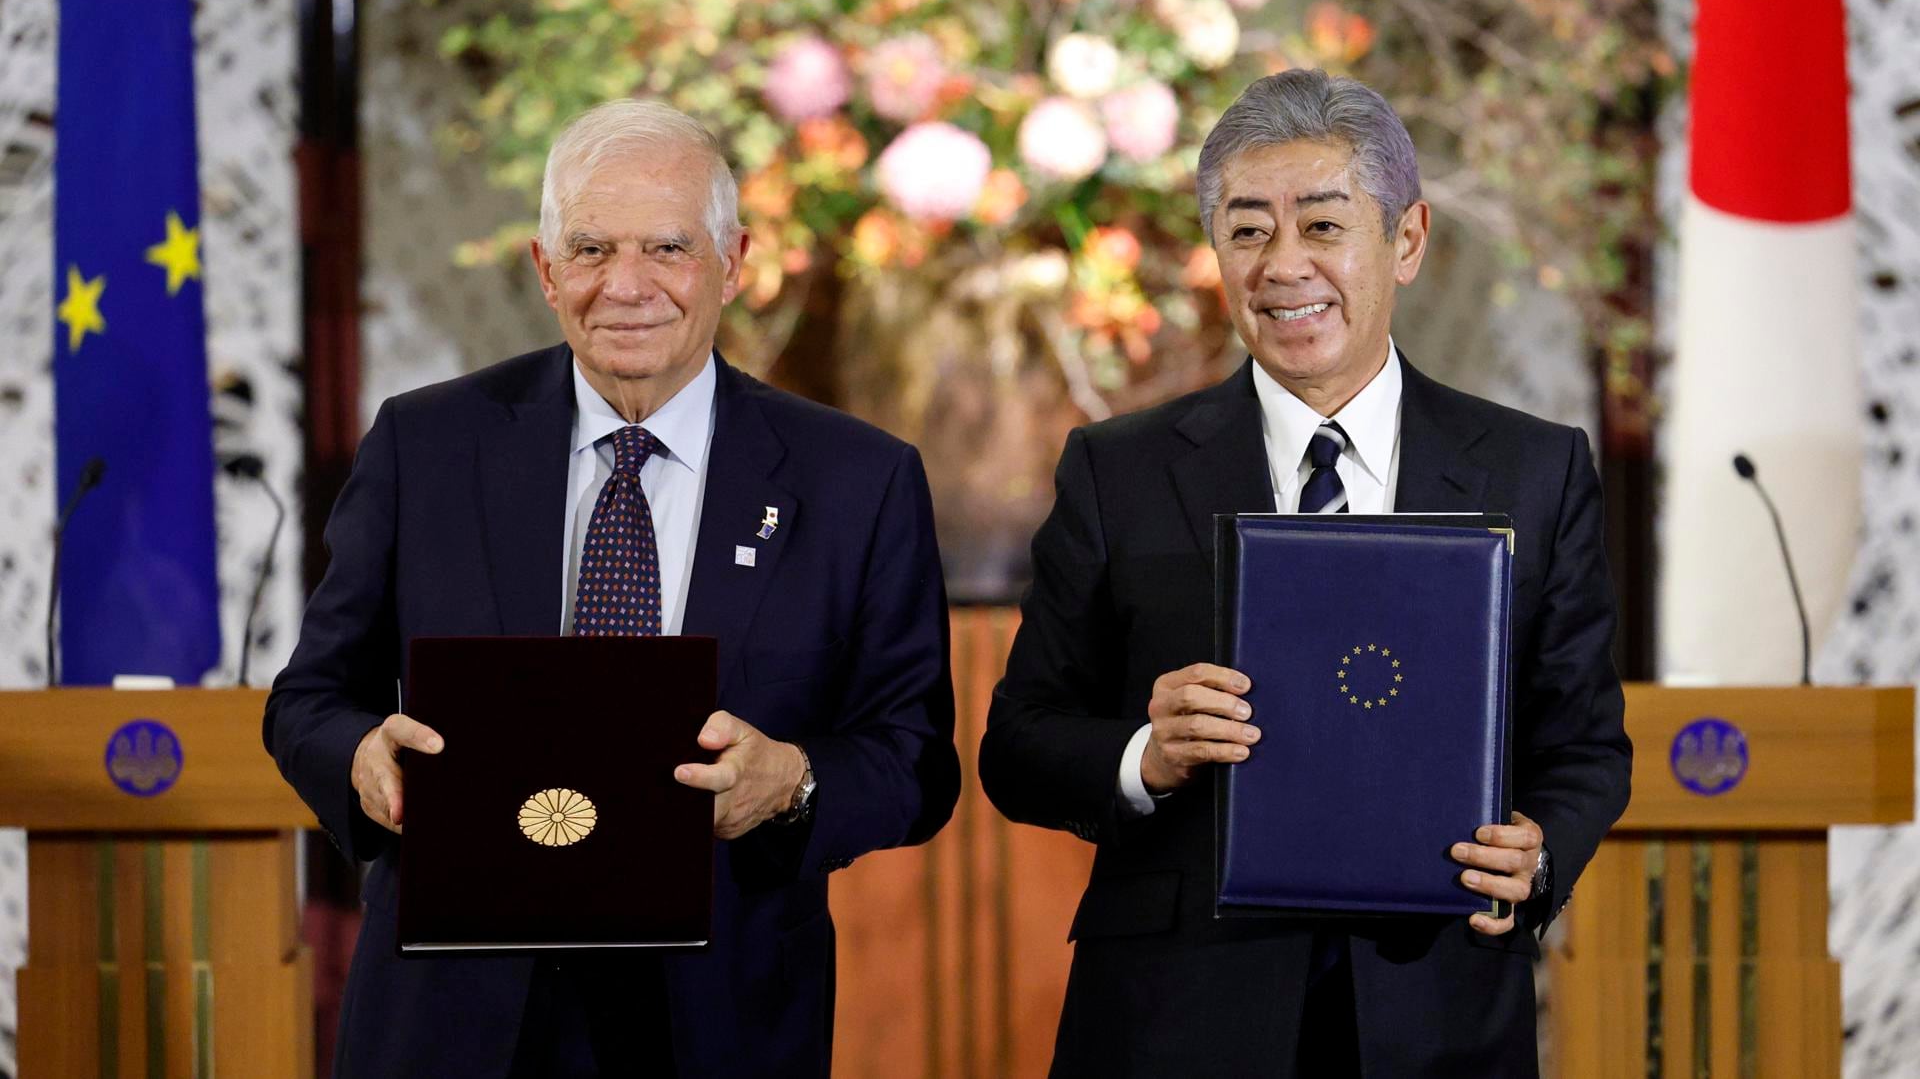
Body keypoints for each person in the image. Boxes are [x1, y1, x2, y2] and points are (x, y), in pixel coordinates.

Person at [265, 100, 959, 1078]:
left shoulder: (856, 479)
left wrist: (793, 780)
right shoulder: (427, 446)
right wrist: (360, 755)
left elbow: (916, 760)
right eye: (590, 248)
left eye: (667, 247)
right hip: (453, 1014)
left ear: (735, 261)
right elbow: (308, 700)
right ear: (547, 272)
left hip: (719, 1011)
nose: (625, 286)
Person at [978, 69, 1632, 1077]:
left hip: (1437, 1009)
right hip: (1175, 1013)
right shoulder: (1120, 468)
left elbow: (1585, 744)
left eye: (1322, 225)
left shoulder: (1532, 470)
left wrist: (1538, 853)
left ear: (1405, 239)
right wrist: (1144, 754)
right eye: (1247, 230)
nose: (1284, 265)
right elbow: (1018, 744)